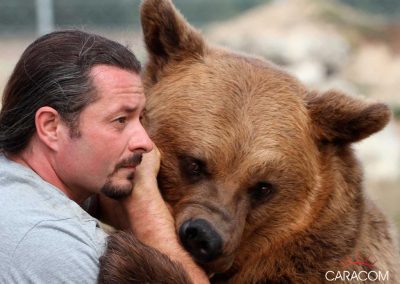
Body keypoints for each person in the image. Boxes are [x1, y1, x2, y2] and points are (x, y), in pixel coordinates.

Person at [0, 30, 208, 283]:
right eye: (120, 120)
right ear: (51, 127)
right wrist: (145, 203)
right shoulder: (59, 248)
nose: (145, 143)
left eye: (140, 118)